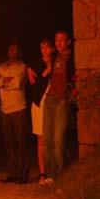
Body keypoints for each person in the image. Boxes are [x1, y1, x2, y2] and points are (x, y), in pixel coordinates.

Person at [0, 42, 29, 184]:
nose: (11, 50)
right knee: (9, 142)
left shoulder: (22, 67)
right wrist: (5, 80)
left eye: (14, 49)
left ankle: (23, 174)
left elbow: (17, 82)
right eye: (10, 48)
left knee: (21, 142)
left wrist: (3, 80)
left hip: (18, 108)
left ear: (19, 52)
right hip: (5, 109)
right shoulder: (1, 67)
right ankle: (13, 172)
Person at [41, 30, 75, 185]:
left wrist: (67, 97)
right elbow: (44, 69)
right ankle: (50, 175)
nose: (59, 43)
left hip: (62, 100)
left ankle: (58, 176)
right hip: (50, 99)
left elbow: (74, 79)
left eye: (62, 40)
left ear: (68, 41)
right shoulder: (55, 57)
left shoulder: (73, 57)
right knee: (47, 140)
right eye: (57, 41)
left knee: (58, 140)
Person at [28, 37, 54, 184]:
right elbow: (36, 83)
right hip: (38, 104)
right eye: (42, 47)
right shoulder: (35, 64)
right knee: (41, 139)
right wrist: (46, 71)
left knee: (51, 139)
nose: (44, 50)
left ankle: (52, 171)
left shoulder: (57, 62)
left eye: (47, 46)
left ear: (52, 49)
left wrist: (50, 68)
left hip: (51, 104)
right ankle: (42, 173)